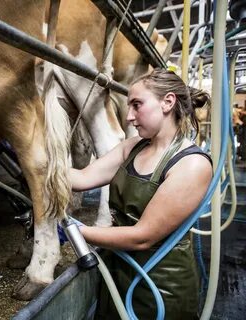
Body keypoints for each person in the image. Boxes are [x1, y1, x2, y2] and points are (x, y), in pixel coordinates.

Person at [69, 69, 213, 319]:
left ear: (167, 102)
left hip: (160, 285)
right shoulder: (132, 147)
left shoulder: (191, 164)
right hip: (118, 272)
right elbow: (81, 179)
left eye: (137, 105)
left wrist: (74, 232)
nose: (129, 117)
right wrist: (38, 164)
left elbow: (142, 236)